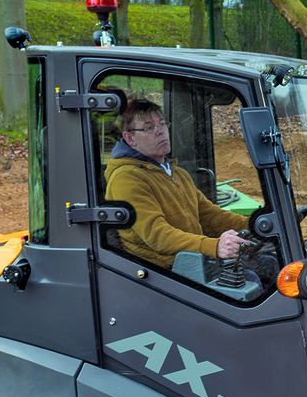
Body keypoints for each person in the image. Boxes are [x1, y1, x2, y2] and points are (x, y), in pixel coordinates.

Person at [104, 98, 250, 272]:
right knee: (254, 277)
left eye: (162, 124)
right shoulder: (126, 178)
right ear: (130, 138)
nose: (160, 132)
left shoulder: (177, 173)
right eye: (149, 127)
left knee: (268, 261)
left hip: (193, 259)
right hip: (164, 270)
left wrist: (254, 225)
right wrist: (214, 246)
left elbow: (209, 216)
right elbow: (158, 235)